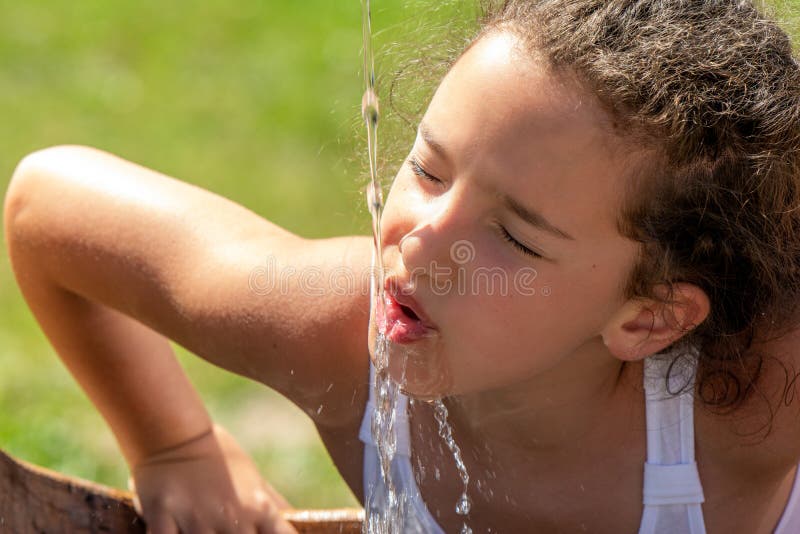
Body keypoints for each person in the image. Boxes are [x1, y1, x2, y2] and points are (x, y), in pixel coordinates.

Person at [5, 0, 800, 532]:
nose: (422, 241)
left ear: (647, 317)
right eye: (428, 169)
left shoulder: (750, 399)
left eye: (516, 238)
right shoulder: (339, 340)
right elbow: (48, 203)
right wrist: (171, 444)